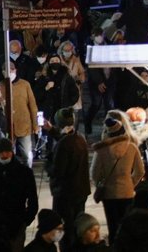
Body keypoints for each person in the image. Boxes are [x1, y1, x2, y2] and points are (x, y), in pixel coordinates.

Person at [90, 110, 144, 238]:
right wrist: (131, 183)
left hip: (109, 194)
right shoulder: (132, 147)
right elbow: (140, 171)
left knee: (113, 226)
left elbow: (94, 174)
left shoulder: (102, 151)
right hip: (127, 192)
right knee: (126, 227)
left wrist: (100, 183)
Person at [44, 107, 90, 250]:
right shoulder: (79, 138)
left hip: (65, 193)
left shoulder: (64, 144)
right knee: (76, 225)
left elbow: (57, 171)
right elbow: (65, 140)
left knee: (66, 229)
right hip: (80, 190)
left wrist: (48, 163)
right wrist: (52, 130)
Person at [0, 137, 38, 251]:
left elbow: (32, 199)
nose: (5, 155)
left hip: (16, 223)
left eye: (7, 152)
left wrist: (26, 220)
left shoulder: (24, 172)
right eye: (1, 152)